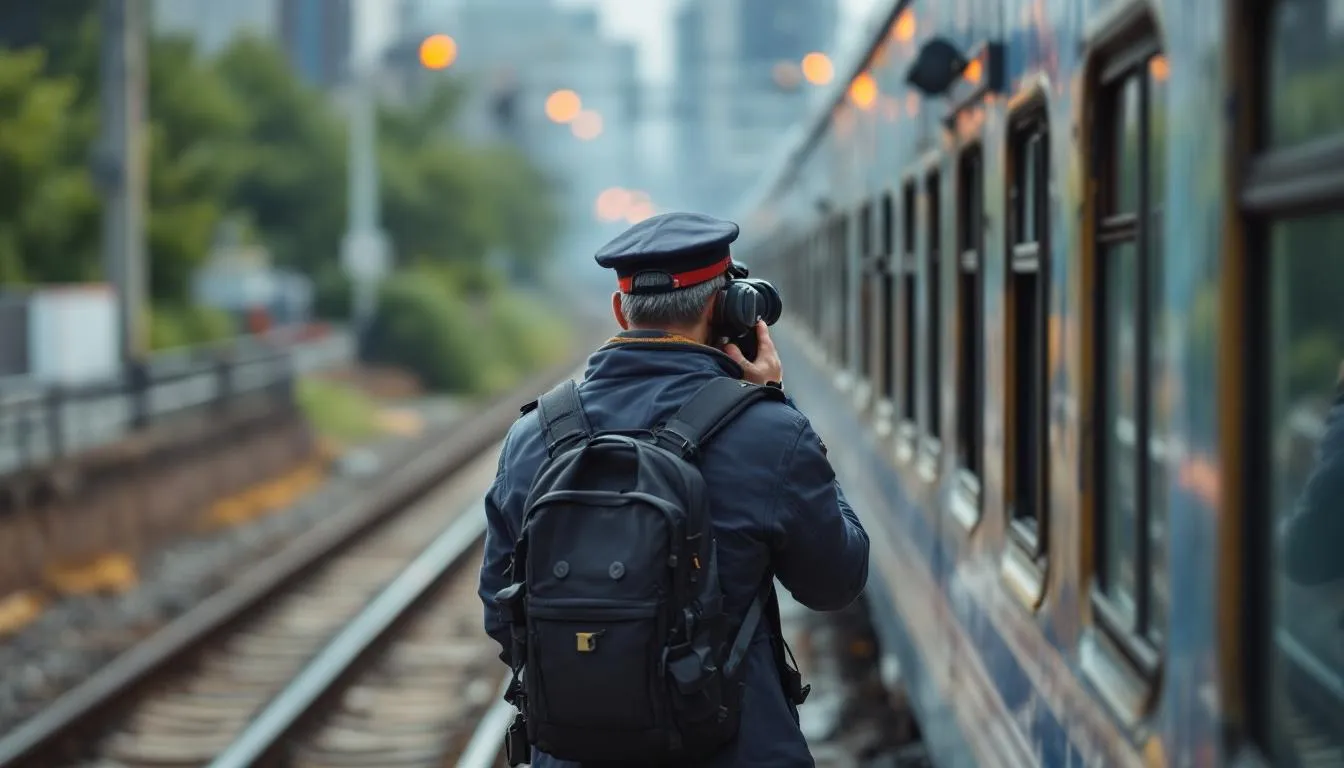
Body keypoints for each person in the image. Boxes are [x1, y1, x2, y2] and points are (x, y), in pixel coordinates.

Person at [477, 211, 870, 767]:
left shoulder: (533, 435)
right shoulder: (769, 433)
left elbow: (502, 614)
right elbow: (836, 582)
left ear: (620, 309)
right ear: (728, 308)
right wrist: (781, 405)